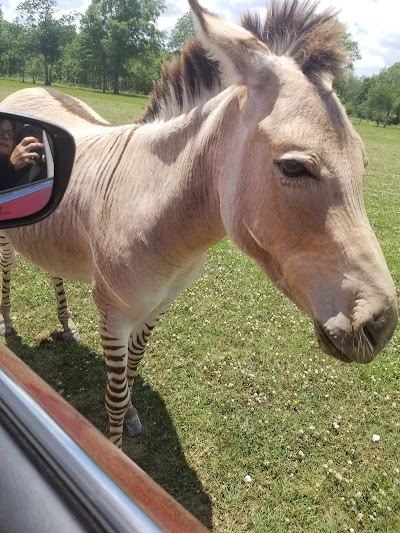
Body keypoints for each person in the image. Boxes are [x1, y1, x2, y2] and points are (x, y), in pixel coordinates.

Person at [0, 119, 45, 191]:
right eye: (0, 131)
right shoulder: (13, 165)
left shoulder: (29, 170)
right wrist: (10, 166)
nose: (6, 136)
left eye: (10, 134)